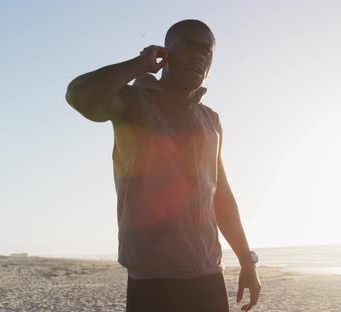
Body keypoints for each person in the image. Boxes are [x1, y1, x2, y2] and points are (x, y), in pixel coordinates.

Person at [65, 19, 261, 312]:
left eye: (206, 50)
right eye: (186, 45)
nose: (198, 55)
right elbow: (78, 94)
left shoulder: (210, 120)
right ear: (165, 53)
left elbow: (220, 196)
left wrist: (247, 261)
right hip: (154, 280)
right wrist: (139, 64)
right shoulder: (134, 103)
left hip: (208, 276)